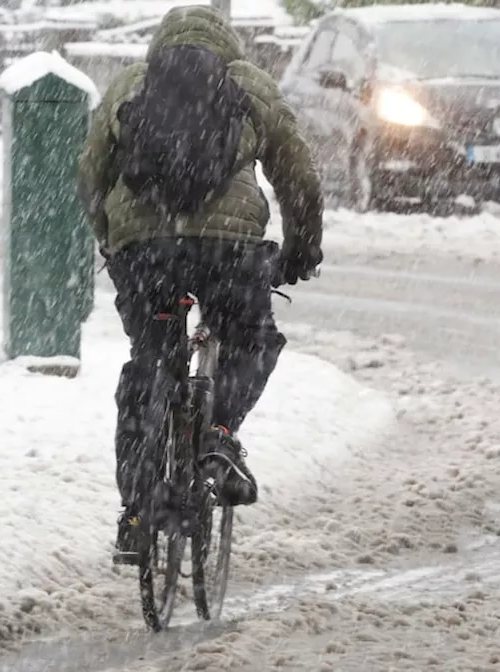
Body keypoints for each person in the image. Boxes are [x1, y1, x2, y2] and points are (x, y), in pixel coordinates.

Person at [78, 4, 324, 564]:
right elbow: (298, 174)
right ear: (227, 42)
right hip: (227, 252)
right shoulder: (247, 85)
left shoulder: (131, 84)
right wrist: (301, 249)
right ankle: (217, 434)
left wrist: (112, 239)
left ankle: (138, 511)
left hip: (146, 253)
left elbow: (90, 171)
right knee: (251, 339)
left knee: (150, 362)